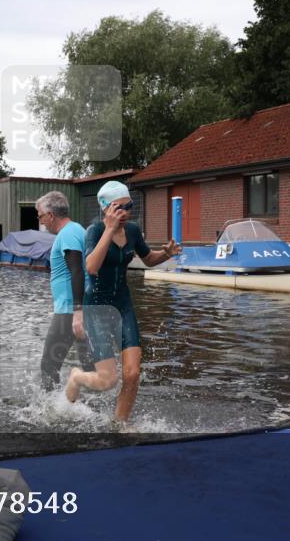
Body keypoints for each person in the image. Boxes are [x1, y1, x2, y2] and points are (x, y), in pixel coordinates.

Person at [65, 181, 182, 422]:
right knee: (108, 380)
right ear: (106, 208)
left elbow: (148, 258)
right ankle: (76, 376)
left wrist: (166, 254)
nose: (126, 212)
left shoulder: (132, 231)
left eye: (129, 206)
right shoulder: (95, 231)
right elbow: (91, 267)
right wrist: (108, 231)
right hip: (97, 307)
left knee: (132, 373)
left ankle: (120, 424)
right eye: (119, 207)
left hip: (123, 304)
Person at [35, 191, 94, 391]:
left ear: (51, 215)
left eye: (40, 216)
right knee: (89, 365)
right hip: (79, 308)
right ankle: (99, 411)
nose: (40, 221)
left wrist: (77, 311)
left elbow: (76, 269)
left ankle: (49, 411)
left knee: (48, 366)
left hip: (69, 311)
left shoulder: (68, 233)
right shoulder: (77, 230)